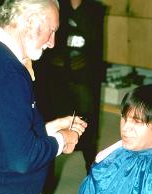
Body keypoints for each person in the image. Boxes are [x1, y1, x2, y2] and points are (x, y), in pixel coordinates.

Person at [0, 1, 88, 194]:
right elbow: (22, 159)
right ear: (28, 21)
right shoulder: (9, 72)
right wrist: (62, 140)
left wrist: (47, 130)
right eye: (52, 30)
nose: (53, 42)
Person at [33, 0, 106, 174]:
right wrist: (52, 59)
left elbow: (98, 44)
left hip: (84, 75)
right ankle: (47, 169)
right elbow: (46, 37)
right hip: (56, 75)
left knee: (87, 119)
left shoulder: (94, 8)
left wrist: (88, 61)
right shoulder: (55, 5)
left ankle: (91, 166)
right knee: (52, 116)